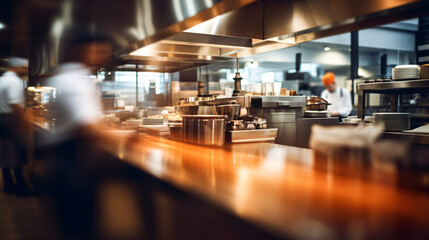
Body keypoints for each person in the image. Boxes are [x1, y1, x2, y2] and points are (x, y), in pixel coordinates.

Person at [0, 57, 32, 195]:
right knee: (17, 151)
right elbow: (15, 104)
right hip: (10, 119)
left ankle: (8, 184)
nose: (25, 70)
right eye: (24, 67)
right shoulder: (14, 81)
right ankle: (21, 187)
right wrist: (24, 121)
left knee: (4, 151)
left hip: (2, 119)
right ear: (16, 67)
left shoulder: (2, 80)